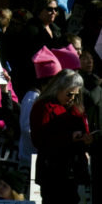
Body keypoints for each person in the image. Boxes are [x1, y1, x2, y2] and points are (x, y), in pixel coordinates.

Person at [30, 69, 92, 202]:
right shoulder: (43, 107)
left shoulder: (76, 107)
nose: (72, 98)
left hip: (73, 170)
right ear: (58, 88)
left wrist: (86, 139)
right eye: (69, 94)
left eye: (76, 94)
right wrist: (69, 137)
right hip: (53, 172)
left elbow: (84, 130)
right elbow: (39, 140)